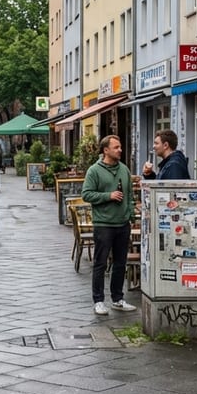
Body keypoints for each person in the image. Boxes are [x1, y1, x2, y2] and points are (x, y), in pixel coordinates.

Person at [82, 135, 138, 315]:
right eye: (116, 147)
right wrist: (108, 196)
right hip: (104, 223)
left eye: (120, 146)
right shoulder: (94, 171)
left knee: (120, 263)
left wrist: (131, 215)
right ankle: (98, 300)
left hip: (122, 223)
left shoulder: (124, 170)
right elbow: (87, 194)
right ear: (105, 150)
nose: (120, 150)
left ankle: (118, 298)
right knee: (100, 263)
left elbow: (129, 195)